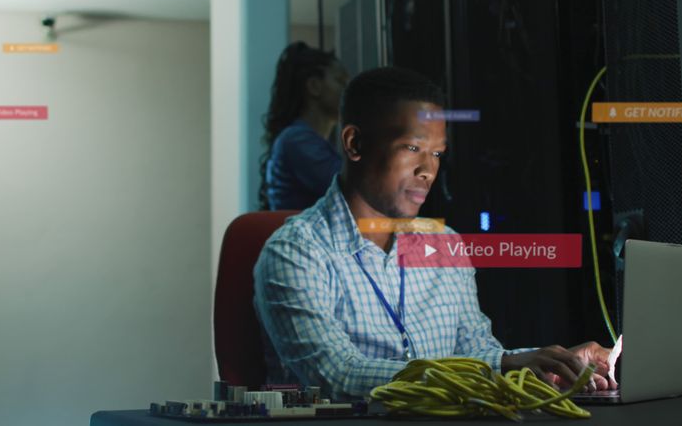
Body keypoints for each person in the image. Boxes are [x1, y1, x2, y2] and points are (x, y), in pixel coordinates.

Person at [253, 66, 616, 400]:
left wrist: (554, 361)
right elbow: (338, 376)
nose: (429, 169)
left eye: (438, 154)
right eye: (413, 148)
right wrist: (500, 367)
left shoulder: (445, 244)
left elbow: (477, 352)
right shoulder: (294, 253)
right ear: (354, 144)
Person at [259, 41, 350, 211]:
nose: (348, 89)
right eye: (340, 81)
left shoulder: (308, 141)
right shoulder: (297, 140)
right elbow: (353, 190)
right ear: (314, 86)